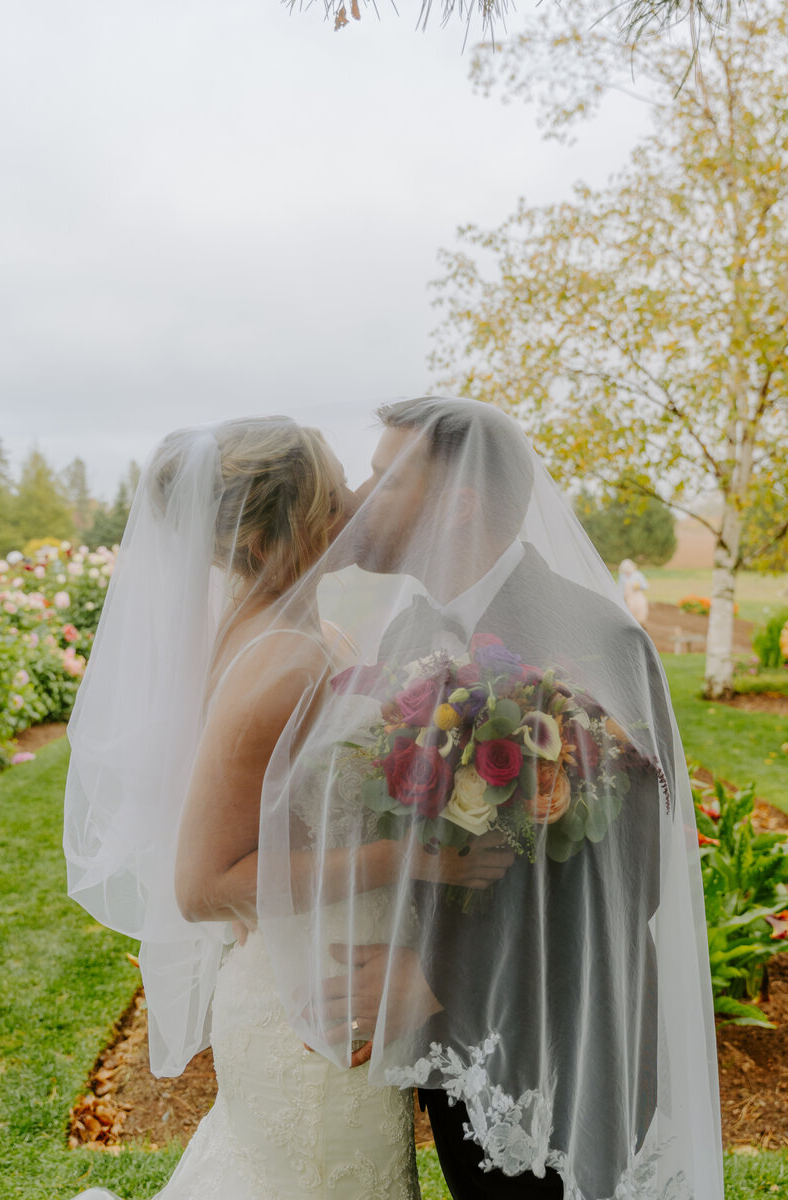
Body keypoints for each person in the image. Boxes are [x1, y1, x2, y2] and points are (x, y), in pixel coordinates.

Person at [256, 398, 724, 1200]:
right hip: (458, 1065)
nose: (357, 499)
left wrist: (435, 978)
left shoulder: (597, 640)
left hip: (568, 1062)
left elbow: (632, 879)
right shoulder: (408, 634)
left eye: (383, 479)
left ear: (459, 502)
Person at [64, 415, 509, 1199]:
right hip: (309, 1007)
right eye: (332, 500)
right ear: (266, 540)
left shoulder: (302, 634)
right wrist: (409, 857)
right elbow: (202, 885)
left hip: (320, 966)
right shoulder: (283, 660)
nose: (356, 506)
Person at [618, 558, 649, 627]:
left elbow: (645, 586)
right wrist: (621, 599)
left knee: (640, 615)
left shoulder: (638, 575)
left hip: (638, 599)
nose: (627, 572)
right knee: (630, 616)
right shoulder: (622, 577)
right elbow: (620, 589)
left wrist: (639, 586)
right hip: (628, 600)